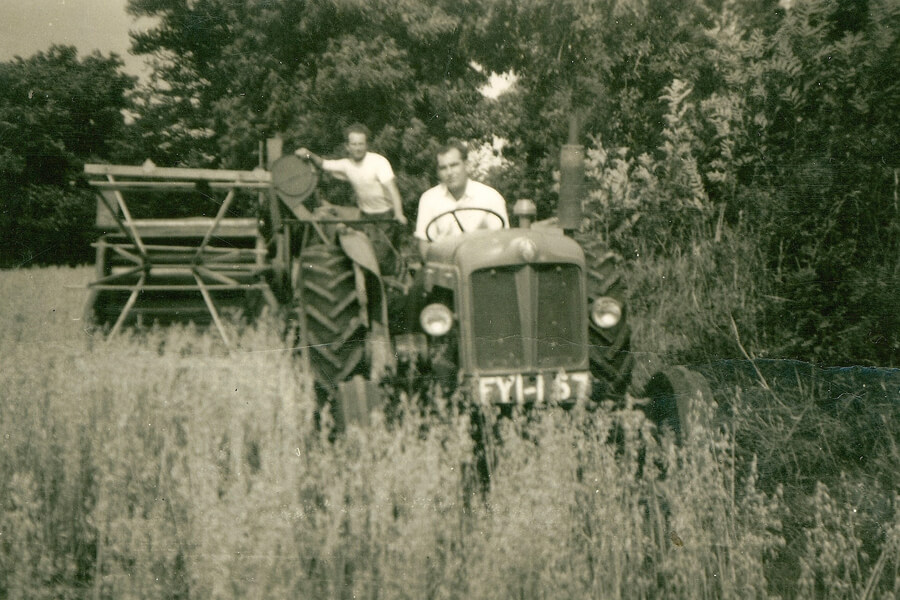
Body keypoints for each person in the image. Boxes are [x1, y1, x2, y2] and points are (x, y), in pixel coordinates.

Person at [295, 123, 407, 225]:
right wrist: (308, 154)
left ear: (366, 145)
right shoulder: (346, 165)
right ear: (347, 147)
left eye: (361, 144)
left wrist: (399, 214)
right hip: (365, 216)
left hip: (386, 215)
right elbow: (322, 163)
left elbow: (393, 190)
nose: (358, 148)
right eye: (354, 144)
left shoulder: (379, 162)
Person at [414, 139, 509, 256]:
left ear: (466, 165)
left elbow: (502, 242)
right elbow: (425, 245)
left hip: (484, 265)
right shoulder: (429, 199)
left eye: (454, 165)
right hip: (446, 266)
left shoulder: (490, 197)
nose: (449, 172)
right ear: (438, 172)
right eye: (443, 168)